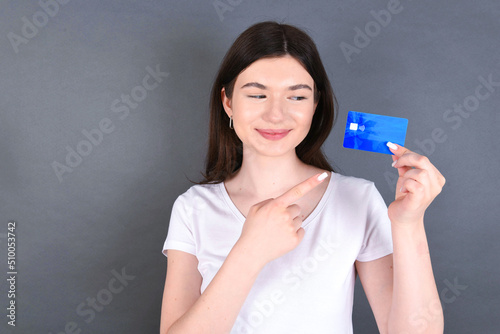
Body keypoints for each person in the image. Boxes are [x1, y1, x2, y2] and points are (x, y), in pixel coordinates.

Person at [159, 21, 446, 334]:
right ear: (228, 102)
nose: (276, 115)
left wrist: (409, 224)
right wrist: (250, 251)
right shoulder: (193, 208)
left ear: (315, 104)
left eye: (296, 97)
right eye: (257, 95)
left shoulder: (357, 199)